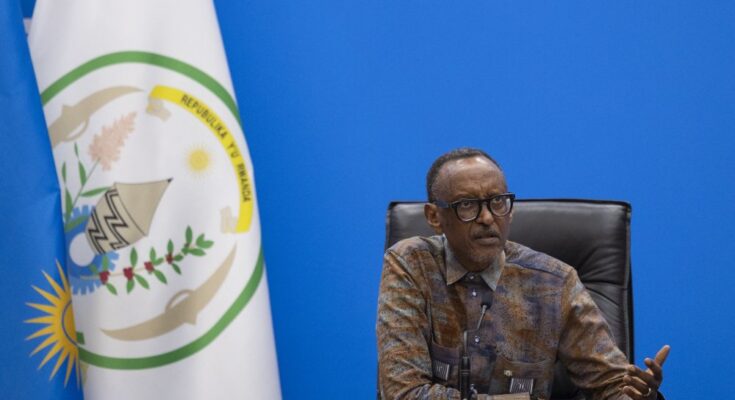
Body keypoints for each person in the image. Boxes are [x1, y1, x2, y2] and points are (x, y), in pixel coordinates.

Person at [376, 148, 669, 400]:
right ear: (434, 216)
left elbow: (612, 385)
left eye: (498, 201)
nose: (487, 218)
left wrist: (643, 396)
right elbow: (403, 393)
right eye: (467, 205)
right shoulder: (411, 265)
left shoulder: (555, 282)